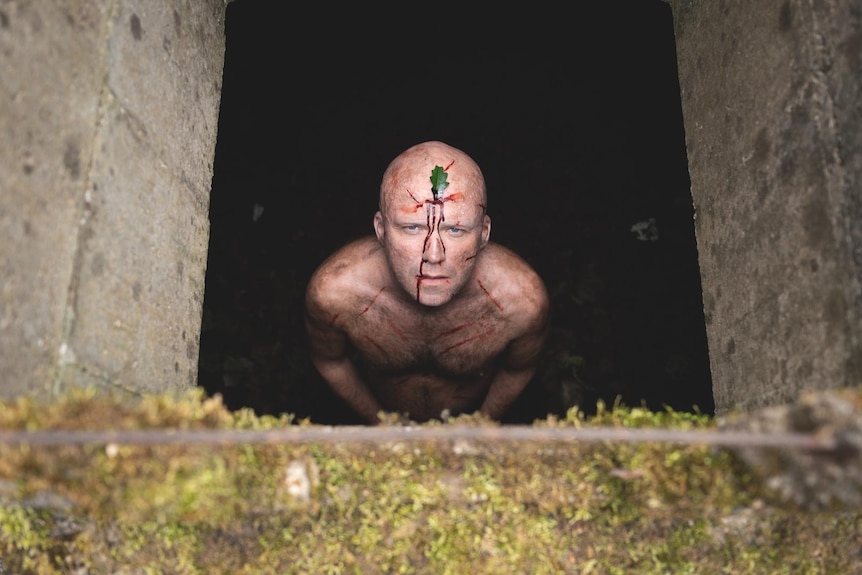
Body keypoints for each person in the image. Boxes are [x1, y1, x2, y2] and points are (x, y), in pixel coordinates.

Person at [305, 141, 550, 424]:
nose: (433, 255)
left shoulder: (521, 302)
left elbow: (518, 369)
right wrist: (380, 425)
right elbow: (330, 360)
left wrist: (478, 428)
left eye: (456, 229)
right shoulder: (335, 293)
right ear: (380, 230)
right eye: (412, 227)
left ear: (484, 233)